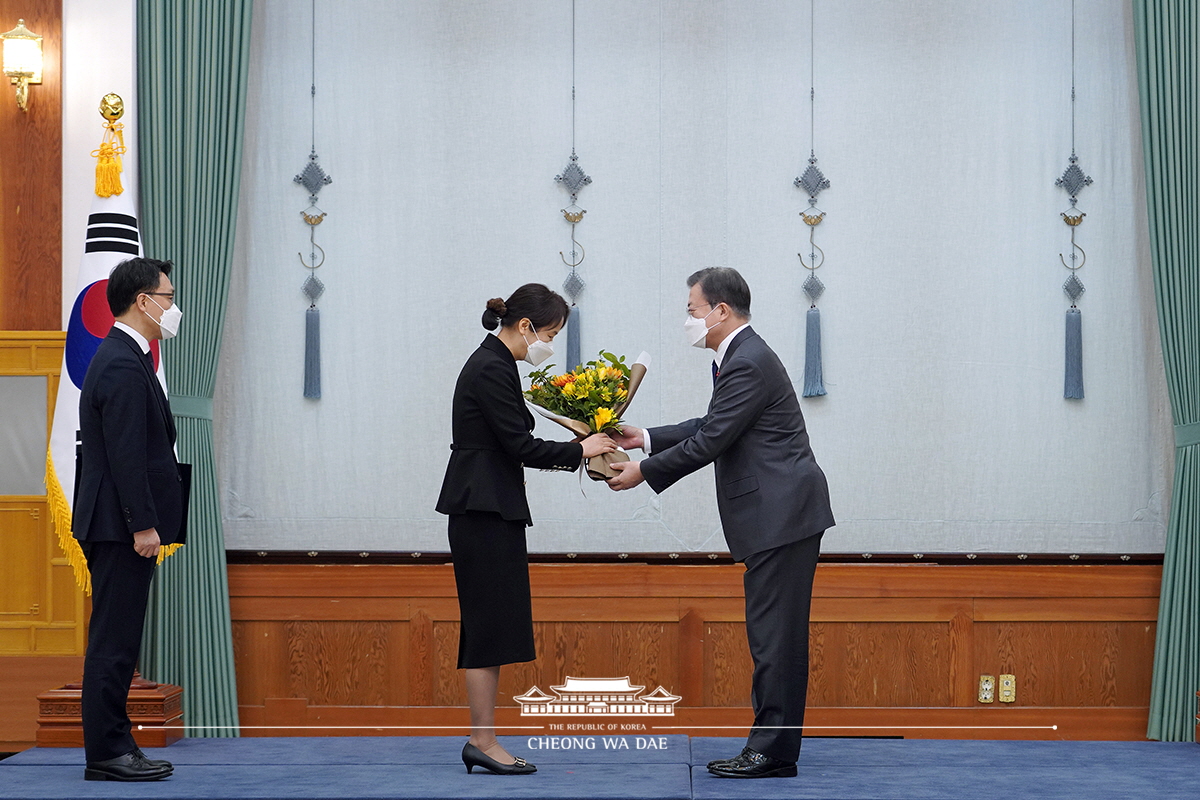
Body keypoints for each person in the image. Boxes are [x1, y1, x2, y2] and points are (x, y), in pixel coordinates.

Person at [607, 267, 834, 779]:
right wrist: (642, 437)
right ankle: (773, 747)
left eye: (692, 311)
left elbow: (712, 441)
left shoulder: (747, 360)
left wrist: (643, 471)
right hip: (778, 513)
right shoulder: (739, 357)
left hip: (783, 514)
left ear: (720, 311)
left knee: (775, 638)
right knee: (773, 635)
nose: (688, 321)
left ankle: (771, 752)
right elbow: (713, 425)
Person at [436, 283, 616, 776]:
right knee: (486, 628)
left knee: (489, 626)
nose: (550, 344)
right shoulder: (490, 367)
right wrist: (581, 450)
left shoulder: (495, 363)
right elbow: (521, 445)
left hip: (490, 508)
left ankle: (483, 738)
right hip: (482, 509)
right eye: (550, 333)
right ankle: (482, 740)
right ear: (524, 327)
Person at [74, 257, 186, 782]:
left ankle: (116, 746)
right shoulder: (120, 361)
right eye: (167, 296)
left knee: (119, 639)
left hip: (121, 523)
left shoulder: (131, 355)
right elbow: (125, 453)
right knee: (114, 642)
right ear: (143, 302)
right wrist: (143, 524)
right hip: (119, 526)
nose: (173, 306)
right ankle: (108, 753)